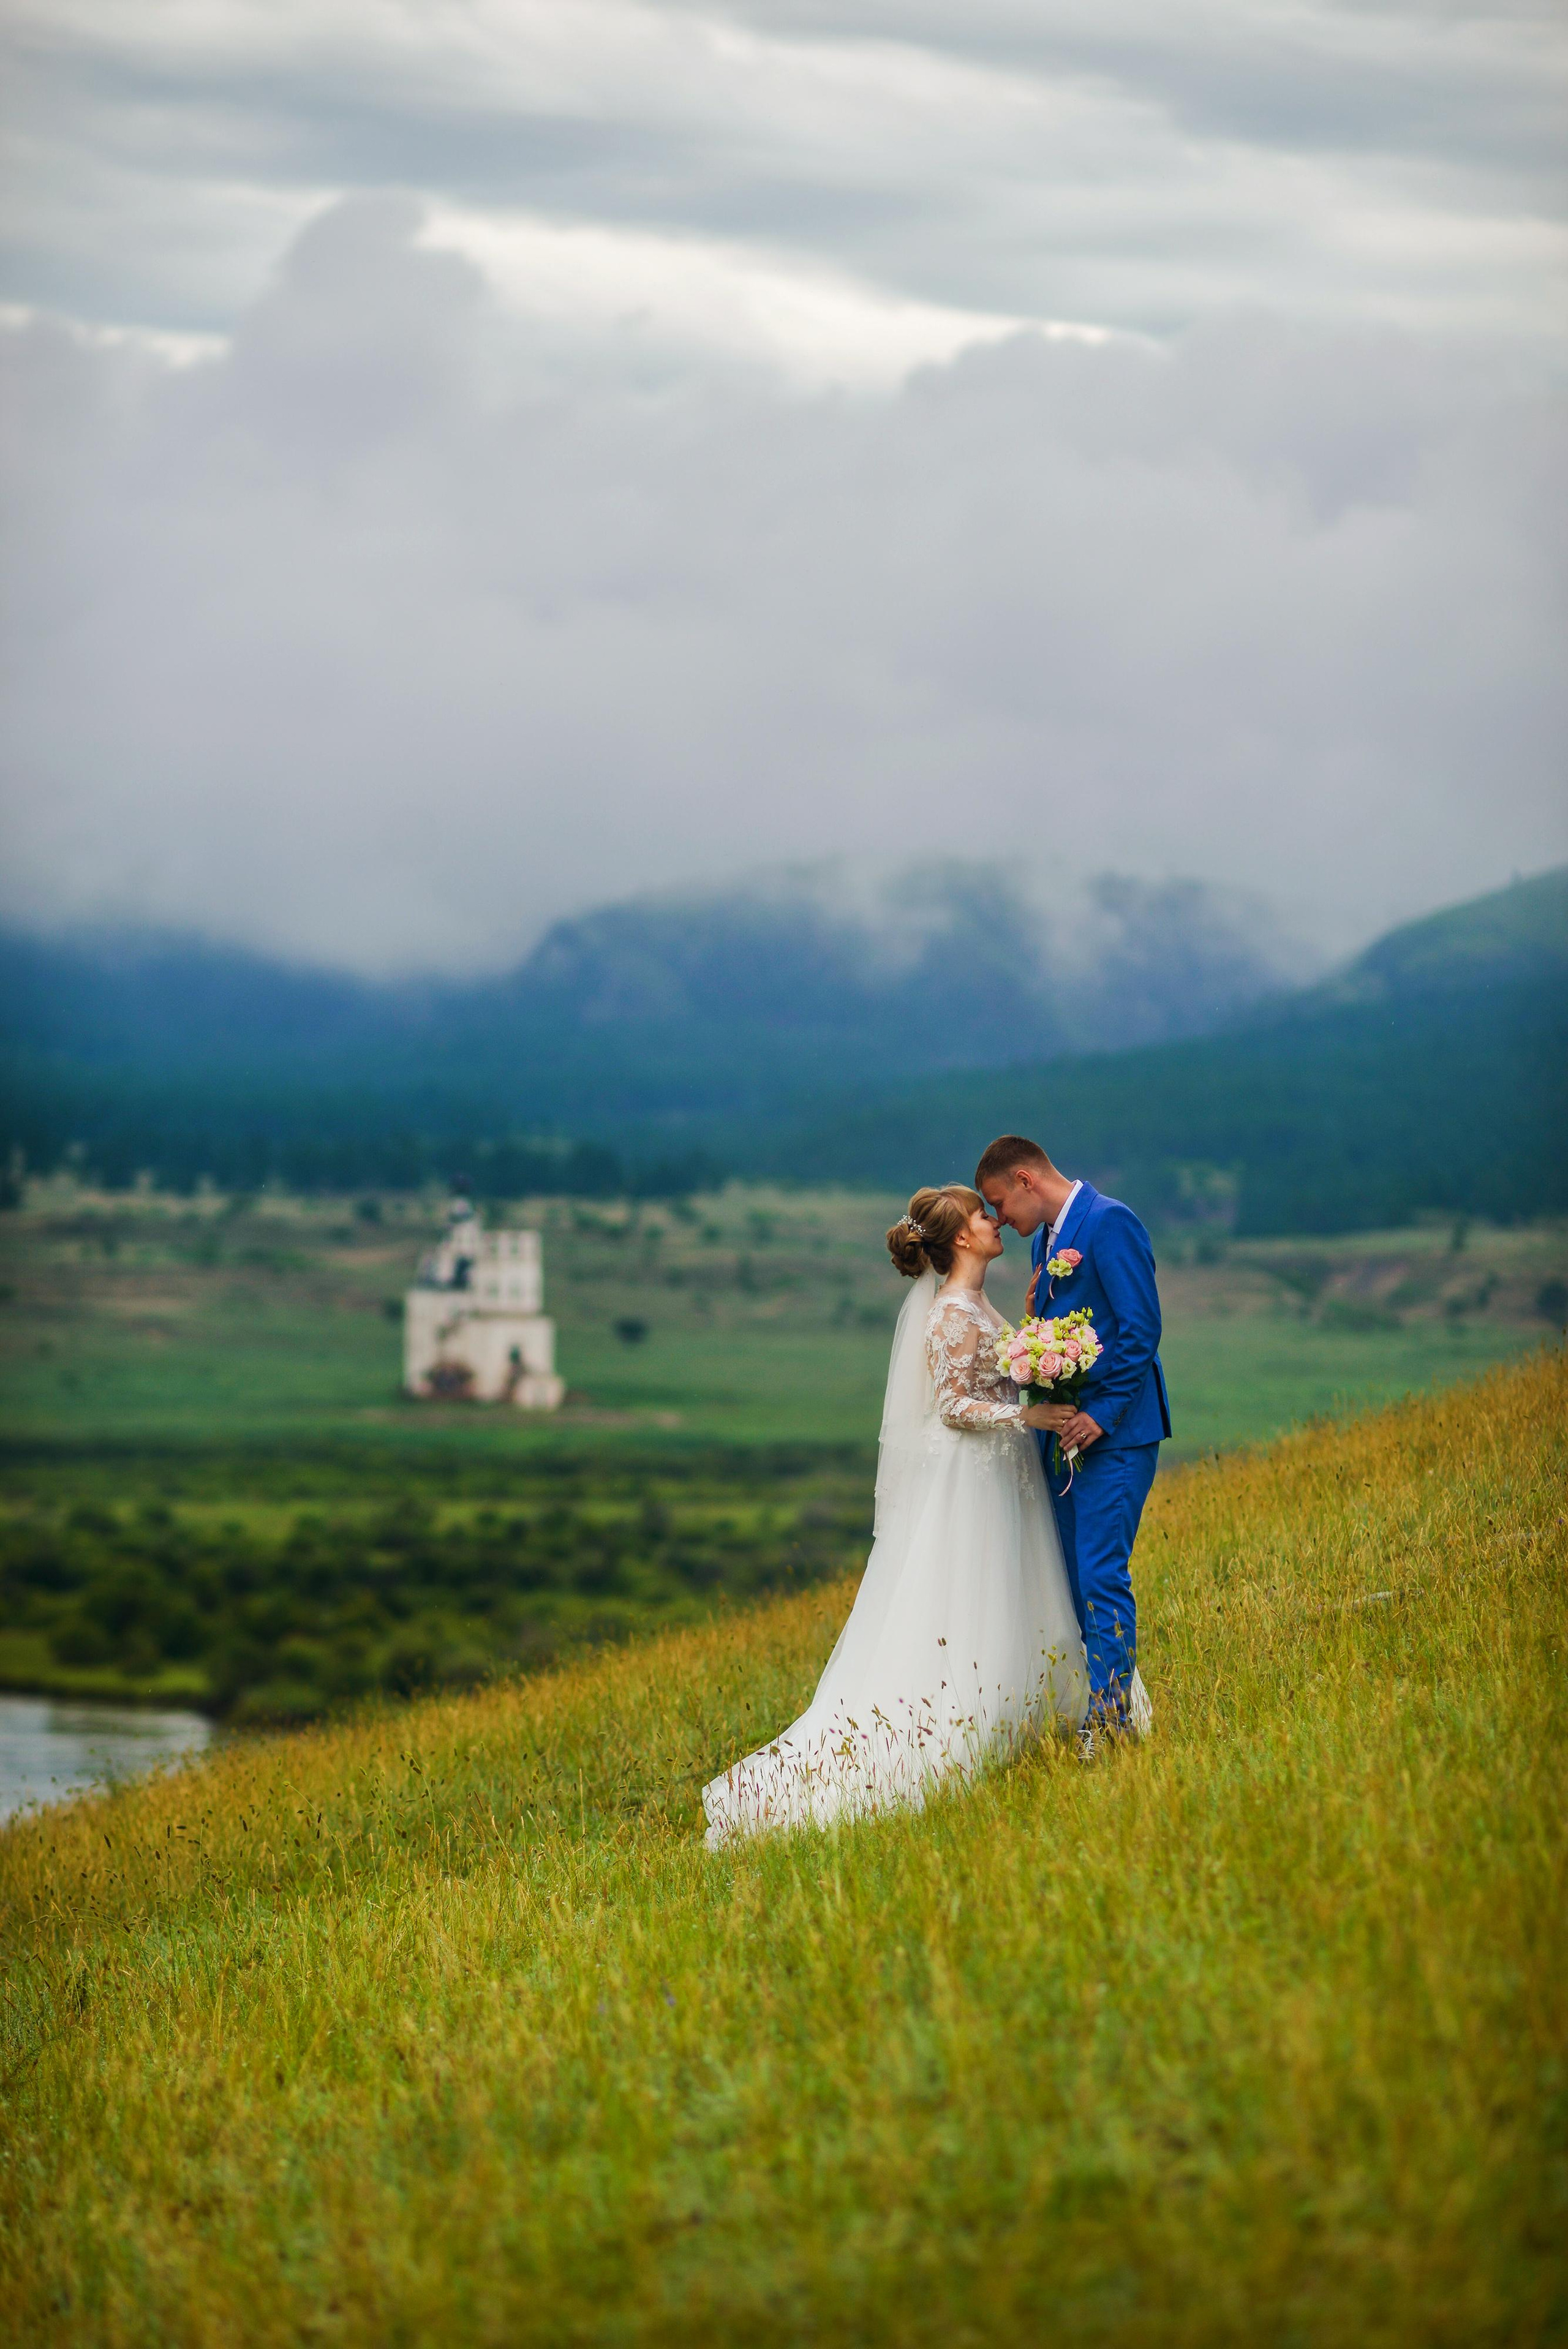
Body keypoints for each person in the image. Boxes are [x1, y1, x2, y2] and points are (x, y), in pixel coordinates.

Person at [702, 1185, 1088, 1846]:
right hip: (972, 1480)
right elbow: (951, 1408)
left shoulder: (975, 1302)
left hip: (1000, 1472)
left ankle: (1027, 1719)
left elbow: (989, 1374)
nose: (995, 1222)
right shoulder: (948, 1314)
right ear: (961, 1238)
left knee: (1010, 1589)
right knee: (969, 1598)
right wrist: (1027, 1412)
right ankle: (959, 1731)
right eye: (981, 1215)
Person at [975, 1134, 1169, 1748]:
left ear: (1028, 1180)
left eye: (1000, 1202)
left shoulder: (1110, 1222)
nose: (999, 1218)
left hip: (1116, 1434)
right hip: (1063, 1437)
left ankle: (1108, 1726)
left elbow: (1142, 1328)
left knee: (1101, 1574)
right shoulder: (1044, 1240)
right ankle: (1098, 1708)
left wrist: (1104, 1415)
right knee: (1070, 1580)